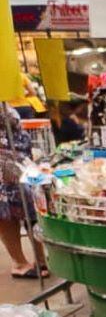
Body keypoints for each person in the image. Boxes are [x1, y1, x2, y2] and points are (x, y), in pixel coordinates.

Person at [0, 107, 47, 279]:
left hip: (19, 163)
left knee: (31, 208)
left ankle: (40, 259)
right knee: (6, 213)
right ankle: (19, 263)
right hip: (6, 166)